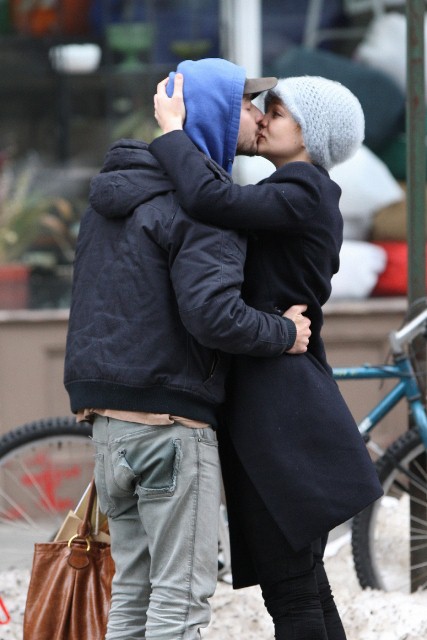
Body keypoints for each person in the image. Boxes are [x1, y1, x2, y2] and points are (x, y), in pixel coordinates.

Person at [63, 58, 311, 640]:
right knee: (180, 601)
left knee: (132, 592)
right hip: (170, 422)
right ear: (217, 114)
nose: (258, 115)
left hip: (107, 420)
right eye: (246, 104)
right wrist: (284, 333)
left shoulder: (111, 196)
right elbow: (213, 315)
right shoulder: (202, 204)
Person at [145, 72, 384, 639]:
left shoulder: (304, 189)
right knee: (304, 586)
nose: (260, 117)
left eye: (276, 111)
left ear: (309, 134)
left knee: (292, 592)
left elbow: (210, 199)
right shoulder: (295, 191)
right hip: (280, 391)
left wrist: (172, 133)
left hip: (279, 401)